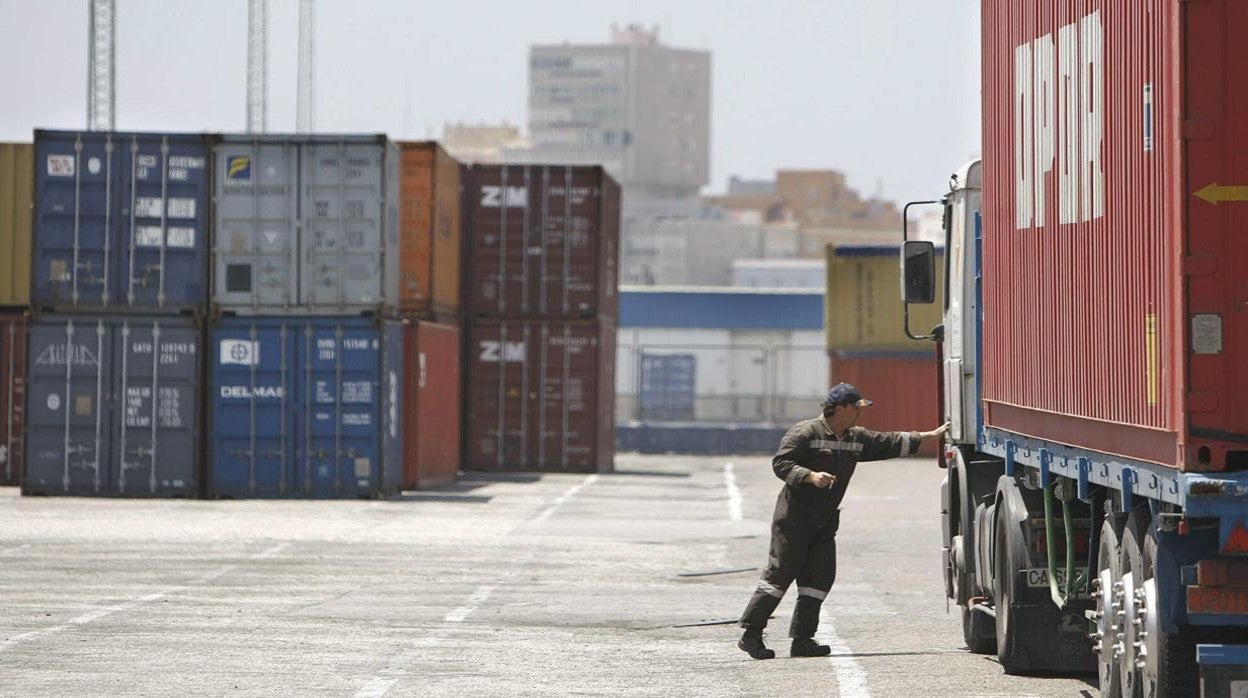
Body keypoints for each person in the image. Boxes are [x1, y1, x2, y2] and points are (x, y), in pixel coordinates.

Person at [736, 382, 949, 660]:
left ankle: (802, 640)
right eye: (856, 408)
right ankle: (750, 633)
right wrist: (810, 476)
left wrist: (932, 435)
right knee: (779, 577)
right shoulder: (805, 433)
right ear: (839, 408)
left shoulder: (855, 437)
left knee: (819, 579)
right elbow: (781, 464)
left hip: (824, 523)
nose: (861, 413)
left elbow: (891, 442)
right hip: (794, 520)